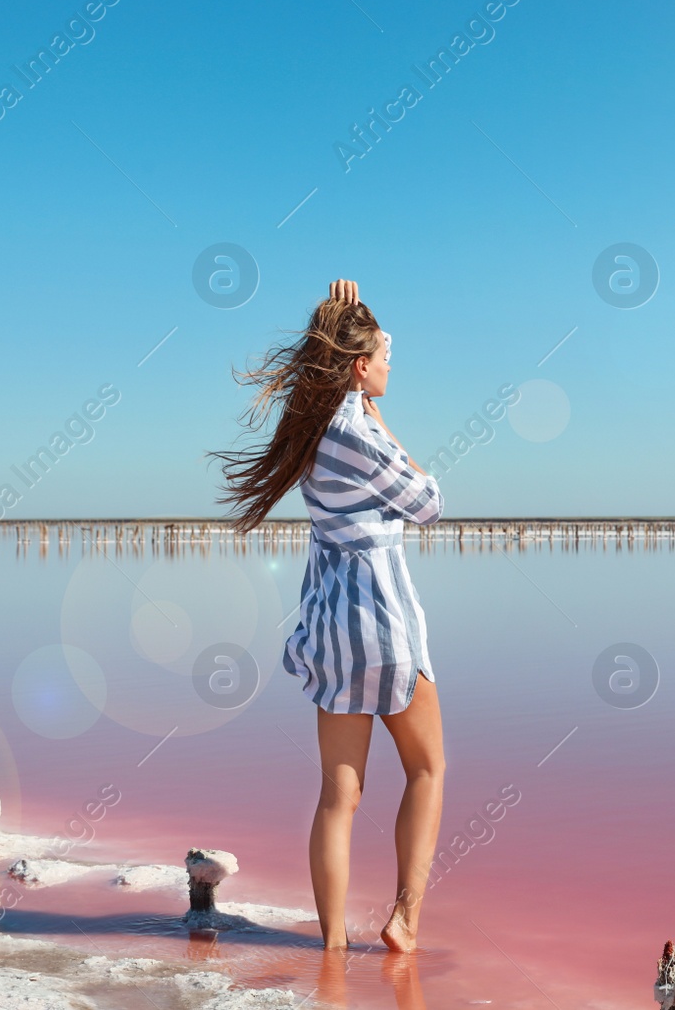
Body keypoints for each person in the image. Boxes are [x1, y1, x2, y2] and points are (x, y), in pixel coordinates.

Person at [212, 279, 446, 954]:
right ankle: (405, 917)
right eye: (383, 357)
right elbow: (429, 501)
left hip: (331, 627)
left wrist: (338, 312)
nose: (391, 366)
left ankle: (333, 949)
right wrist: (377, 415)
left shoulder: (311, 424)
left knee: (337, 795)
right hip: (384, 618)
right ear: (358, 369)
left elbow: (332, 377)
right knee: (427, 769)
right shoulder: (358, 431)